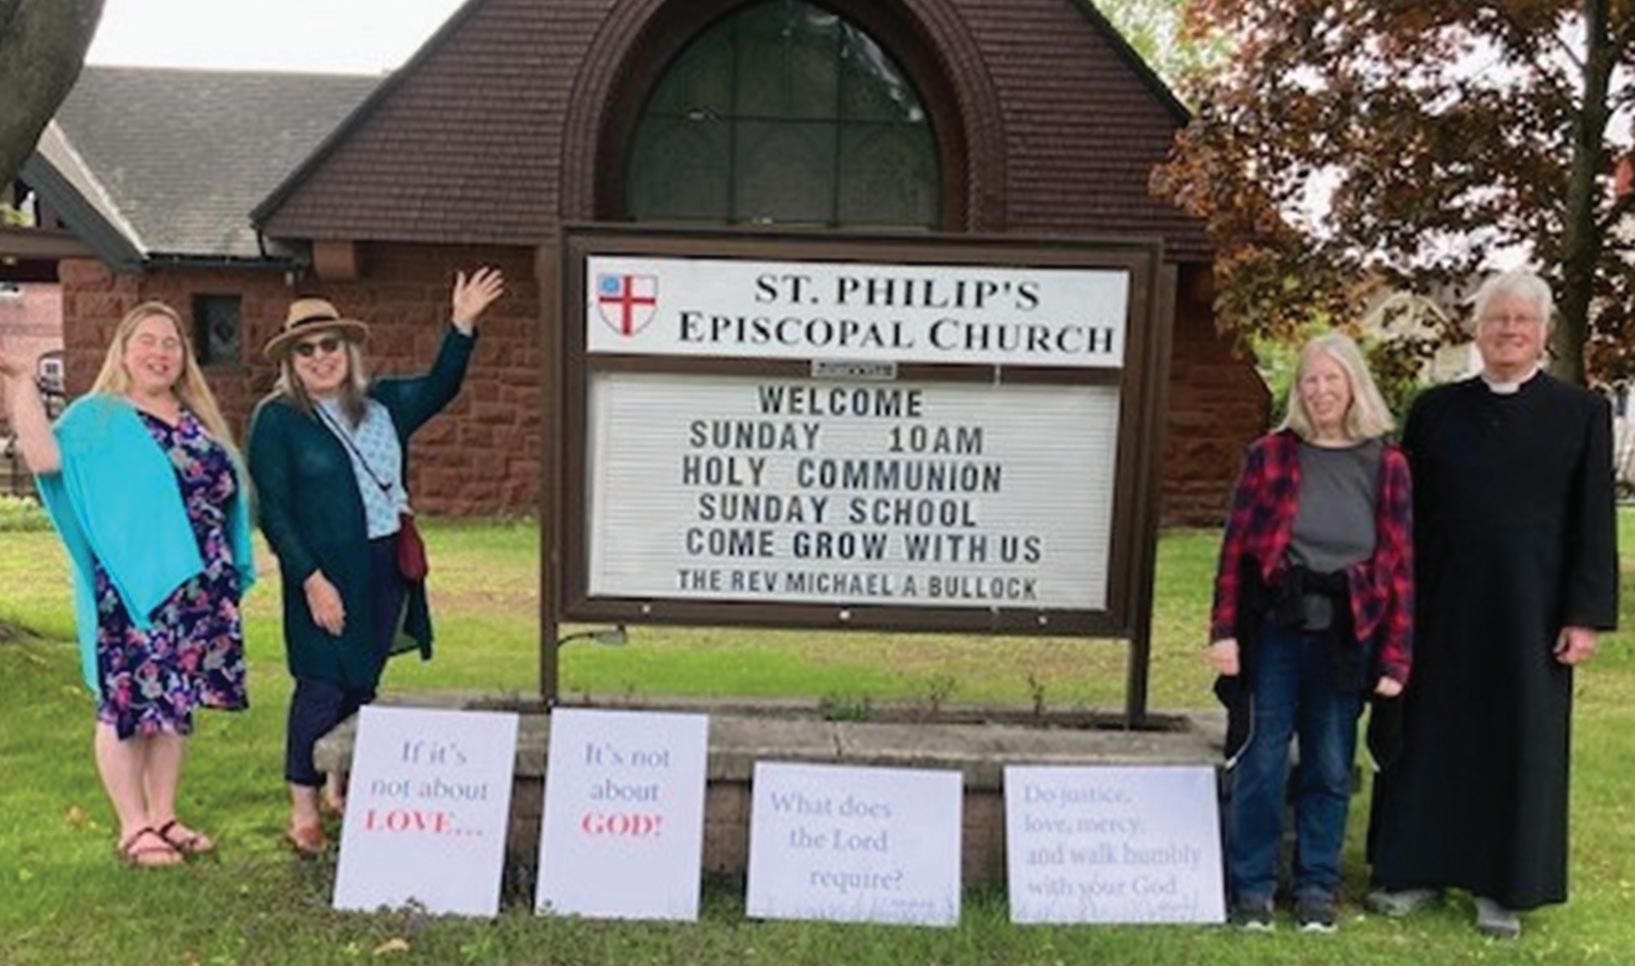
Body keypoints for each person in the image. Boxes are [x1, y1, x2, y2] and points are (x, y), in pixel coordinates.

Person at [1367, 270, 1618, 938]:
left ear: (1542, 332)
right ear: (1477, 331)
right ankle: (1412, 868)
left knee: (1518, 741)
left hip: (1530, 609)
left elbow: (1593, 519)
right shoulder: (1435, 410)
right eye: (1496, 319)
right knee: (1427, 731)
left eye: (1521, 320)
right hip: (1439, 603)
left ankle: (1502, 887)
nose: (1508, 330)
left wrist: (1584, 614)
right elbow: (1402, 512)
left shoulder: (1580, 413)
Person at [247, 267, 503, 855]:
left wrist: (462, 325)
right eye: (306, 350)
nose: (320, 357)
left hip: (384, 563)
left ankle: (342, 785)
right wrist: (311, 580)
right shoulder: (278, 420)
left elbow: (440, 385)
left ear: (348, 350)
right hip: (322, 569)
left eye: (329, 345)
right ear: (291, 362)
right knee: (320, 684)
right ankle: (304, 807)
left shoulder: (383, 404)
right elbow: (274, 512)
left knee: (363, 680)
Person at [0, 303, 256, 867]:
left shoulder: (197, 417)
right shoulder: (99, 418)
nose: (159, 353)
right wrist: (21, 384)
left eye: (171, 343)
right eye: (147, 340)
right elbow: (43, 458)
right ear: (123, 349)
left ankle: (164, 814)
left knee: (175, 701)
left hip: (200, 586)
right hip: (132, 588)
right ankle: (133, 826)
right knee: (127, 702)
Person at [1209, 332, 1413, 932]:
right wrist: (1225, 631)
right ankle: (1252, 886)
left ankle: (1317, 885)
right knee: (1262, 757)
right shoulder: (1271, 455)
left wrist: (1396, 659)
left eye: (1332, 379)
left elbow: (1401, 565)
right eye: (1310, 380)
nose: (1321, 391)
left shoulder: (1388, 465)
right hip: (1276, 625)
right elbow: (1235, 550)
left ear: (1354, 385)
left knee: (1329, 760)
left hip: (1348, 630)